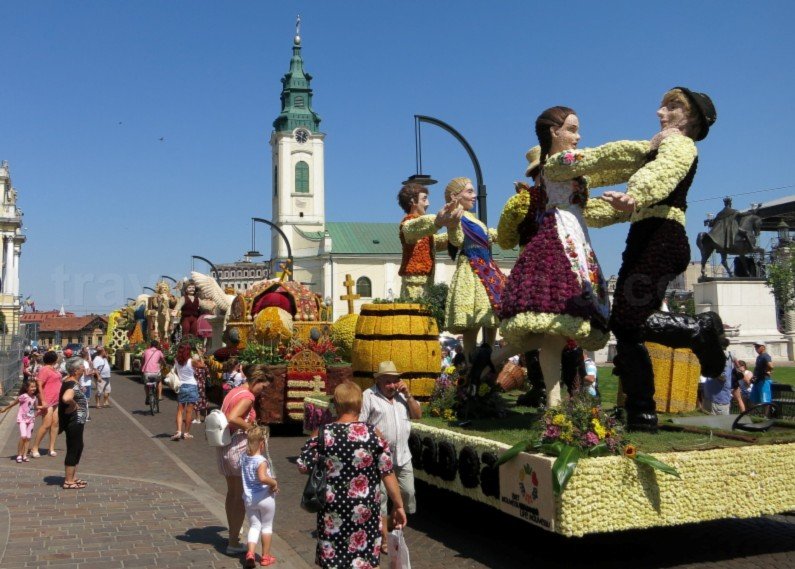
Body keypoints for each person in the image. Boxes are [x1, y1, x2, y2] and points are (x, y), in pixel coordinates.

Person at [543, 87, 725, 431]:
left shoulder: (679, 144)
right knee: (626, 327)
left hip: (662, 238)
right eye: (662, 105)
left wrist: (634, 194)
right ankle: (641, 413)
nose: (660, 112)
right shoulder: (656, 148)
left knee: (628, 322)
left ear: (692, 119)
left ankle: (699, 330)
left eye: (672, 106)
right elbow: (624, 203)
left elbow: (661, 175)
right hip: (645, 237)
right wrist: (584, 211)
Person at [483, 107, 612, 407]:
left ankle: (499, 365)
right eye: (536, 174)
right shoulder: (526, 197)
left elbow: (588, 209)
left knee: (560, 337)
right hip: (540, 264)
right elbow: (507, 238)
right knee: (547, 334)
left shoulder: (558, 189)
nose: (539, 177)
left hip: (567, 253)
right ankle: (547, 395)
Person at [298, 381, 407, 569]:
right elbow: (387, 473)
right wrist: (398, 505)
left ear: (336, 405)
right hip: (365, 511)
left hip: (332, 510)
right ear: (360, 404)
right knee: (366, 560)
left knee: (333, 561)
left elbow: (303, 466)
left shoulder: (323, 434)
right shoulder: (373, 435)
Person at [359, 361, 422, 553]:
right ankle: (384, 538)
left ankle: (392, 527)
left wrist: (409, 395)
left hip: (402, 457)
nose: (392, 385)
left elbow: (418, 415)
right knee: (381, 499)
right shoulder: (368, 396)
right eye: (387, 381)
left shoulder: (402, 397)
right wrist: (374, 432)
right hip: (378, 460)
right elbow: (360, 424)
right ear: (378, 380)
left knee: (407, 493)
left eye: (395, 381)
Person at [443, 177, 505, 365]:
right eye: (469, 192)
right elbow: (457, 240)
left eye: (473, 191)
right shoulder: (457, 216)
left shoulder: (472, 218)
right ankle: (471, 367)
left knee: (492, 316)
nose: (474, 195)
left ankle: (487, 363)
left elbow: (489, 236)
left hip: (486, 268)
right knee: (472, 323)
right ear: (455, 196)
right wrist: (452, 225)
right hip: (472, 269)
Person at [217, 364, 272, 555]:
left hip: (225, 446)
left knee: (232, 493)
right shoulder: (248, 396)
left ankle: (232, 535)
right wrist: (251, 428)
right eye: (263, 386)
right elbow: (233, 417)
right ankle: (233, 542)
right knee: (240, 496)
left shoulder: (234, 391)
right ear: (257, 380)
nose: (263, 391)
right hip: (238, 447)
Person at [397, 182, 454, 299]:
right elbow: (417, 226)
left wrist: (456, 233)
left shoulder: (424, 230)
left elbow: (434, 242)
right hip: (414, 283)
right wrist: (438, 220)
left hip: (427, 281)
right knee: (414, 308)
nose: (428, 203)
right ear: (412, 201)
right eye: (424, 199)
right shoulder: (408, 225)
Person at [241, 426, 279, 568]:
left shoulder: (244, 458)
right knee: (267, 526)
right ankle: (265, 556)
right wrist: (274, 483)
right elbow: (263, 478)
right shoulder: (261, 461)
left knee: (254, 526)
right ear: (262, 444)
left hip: (249, 499)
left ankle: (250, 553)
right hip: (265, 498)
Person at [59, 357, 89, 489]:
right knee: (73, 448)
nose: (84, 368)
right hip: (73, 421)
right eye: (82, 367)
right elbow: (66, 398)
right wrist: (73, 404)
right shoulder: (72, 384)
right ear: (76, 370)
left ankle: (73, 477)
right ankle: (68, 481)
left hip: (78, 421)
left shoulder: (72, 381)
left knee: (78, 447)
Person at [1, 380, 45, 463]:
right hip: (22, 419)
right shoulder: (23, 396)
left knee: (28, 438)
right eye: (32, 387)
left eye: (35, 387)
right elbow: (14, 403)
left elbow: (35, 407)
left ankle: (24, 455)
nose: (34, 388)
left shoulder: (34, 397)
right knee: (23, 436)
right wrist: (5, 409)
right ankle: (19, 455)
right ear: (27, 388)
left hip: (31, 419)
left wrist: (43, 407)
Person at [170, 343, 204, 440]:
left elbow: (176, 372)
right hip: (192, 386)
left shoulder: (176, 360)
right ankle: (186, 433)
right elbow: (203, 365)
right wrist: (200, 355)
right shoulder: (191, 361)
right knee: (189, 412)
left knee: (180, 410)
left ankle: (178, 431)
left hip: (182, 386)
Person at [31, 351, 62, 458]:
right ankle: (35, 448)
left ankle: (51, 448)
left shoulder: (54, 369)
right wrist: (43, 400)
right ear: (54, 359)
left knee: (55, 424)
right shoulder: (44, 370)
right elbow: (39, 385)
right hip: (47, 400)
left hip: (56, 400)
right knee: (46, 424)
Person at [702, 342, 734, 415]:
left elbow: (723, 377)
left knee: (721, 422)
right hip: (709, 399)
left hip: (719, 402)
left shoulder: (724, 359)